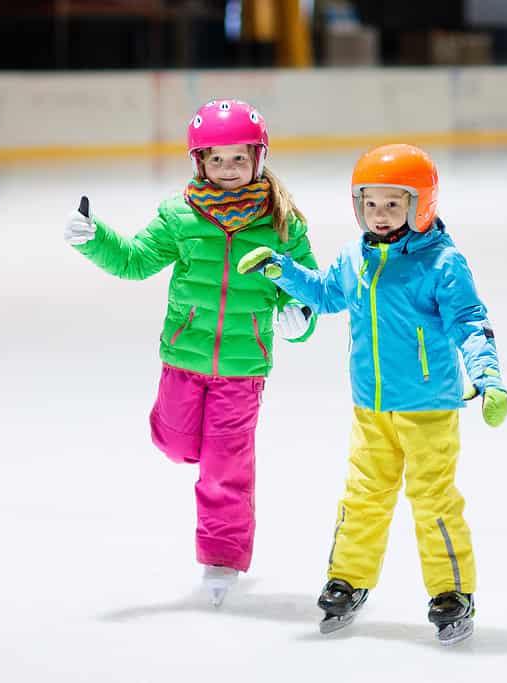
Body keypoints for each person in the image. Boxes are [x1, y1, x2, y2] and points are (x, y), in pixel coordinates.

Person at [236, 143, 507, 644]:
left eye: (392, 203)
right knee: (363, 498)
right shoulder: (353, 257)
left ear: (420, 204)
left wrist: (488, 377)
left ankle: (452, 592)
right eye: (370, 203)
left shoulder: (443, 264)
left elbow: (470, 323)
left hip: (429, 410)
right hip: (371, 409)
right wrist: (281, 269)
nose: (379, 215)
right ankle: (348, 579)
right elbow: (324, 294)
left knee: (433, 501)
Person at [64, 99, 318, 606]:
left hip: (243, 370)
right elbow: (135, 261)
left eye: (239, 159)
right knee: (177, 444)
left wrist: (302, 318)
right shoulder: (180, 217)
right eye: (217, 159)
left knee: (226, 466)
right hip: (184, 358)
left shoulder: (282, 223)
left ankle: (221, 559)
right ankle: (187, 444)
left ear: (259, 160)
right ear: (199, 162)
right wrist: (95, 240)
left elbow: (306, 287)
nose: (228, 169)